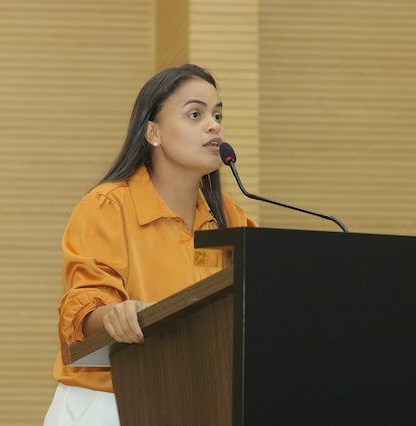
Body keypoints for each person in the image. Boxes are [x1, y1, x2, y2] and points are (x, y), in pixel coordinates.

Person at [44, 64, 257, 425]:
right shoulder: (107, 206)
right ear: (153, 132)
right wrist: (114, 315)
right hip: (110, 404)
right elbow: (84, 306)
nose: (214, 126)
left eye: (217, 115)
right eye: (195, 114)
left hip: (197, 402)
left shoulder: (231, 218)